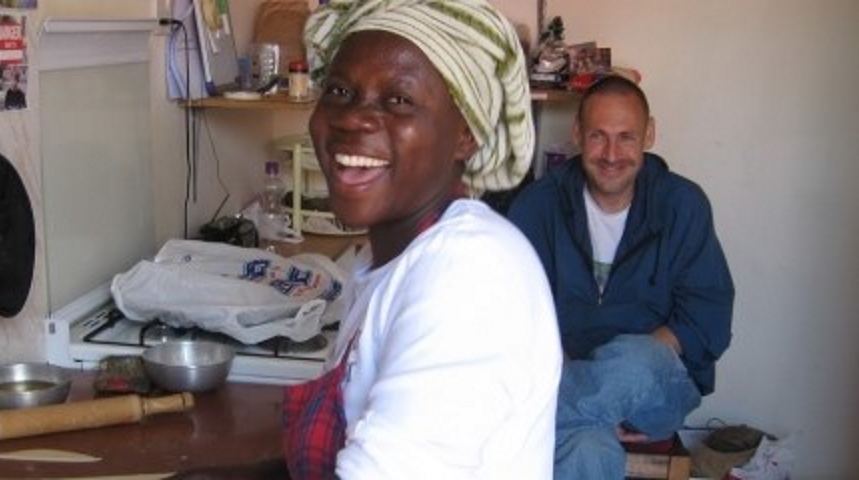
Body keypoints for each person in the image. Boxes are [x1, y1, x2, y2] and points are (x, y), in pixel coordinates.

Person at [170, 1, 561, 478]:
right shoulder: (385, 261)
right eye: (338, 91)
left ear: (466, 136)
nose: (352, 119)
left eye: (398, 100)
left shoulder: (470, 273)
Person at [506, 75, 735, 479]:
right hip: (563, 374)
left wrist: (613, 382)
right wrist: (596, 397)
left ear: (649, 134)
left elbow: (706, 318)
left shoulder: (682, 205)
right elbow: (514, 314)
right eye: (598, 136)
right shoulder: (538, 206)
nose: (612, 153)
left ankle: (503, 427)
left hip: (656, 388)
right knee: (585, 450)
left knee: (635, 359)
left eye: (626, 137)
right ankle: (577, 417)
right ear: (577, 133)